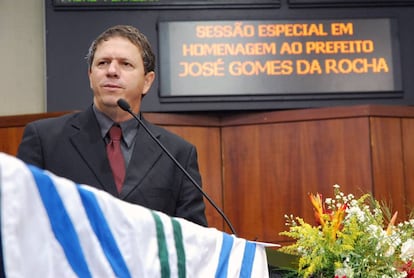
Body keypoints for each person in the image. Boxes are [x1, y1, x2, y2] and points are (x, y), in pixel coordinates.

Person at [17, 25, 207, 227]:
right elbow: (20, 222)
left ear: (147, 82)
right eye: (103, 63)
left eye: (125, 64)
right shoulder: (44, 139)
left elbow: (193, 240)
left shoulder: (177, 154)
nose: (112, 71)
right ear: (91, 75)